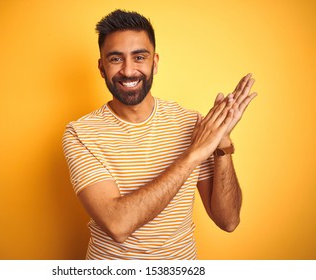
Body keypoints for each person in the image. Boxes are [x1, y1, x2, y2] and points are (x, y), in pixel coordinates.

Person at [63, 9, 257, 260]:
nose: (129, 70)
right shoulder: (80, 134)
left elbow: (228, 221)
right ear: (101, 67)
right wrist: (193, 155)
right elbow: (118, 225)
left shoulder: (192, 123)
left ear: (154, 62)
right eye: (115, 59)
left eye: (139, 57)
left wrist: (222, 145)